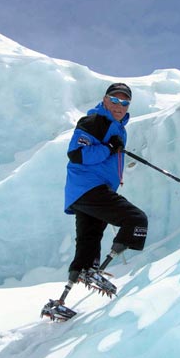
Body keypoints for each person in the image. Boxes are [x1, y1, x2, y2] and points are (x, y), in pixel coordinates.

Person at [60, 83, 148, 303]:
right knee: (136, 220)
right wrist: (109, 147)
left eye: (124, 102)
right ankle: (96, 270)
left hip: (85, 191)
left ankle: (64, 297)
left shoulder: (117, 128)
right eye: (115, 100)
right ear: (105, 100)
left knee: (89, 240)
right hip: (89, 188)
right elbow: (77, 154)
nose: (119, 105)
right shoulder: (95, 122)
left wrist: (112, 145)